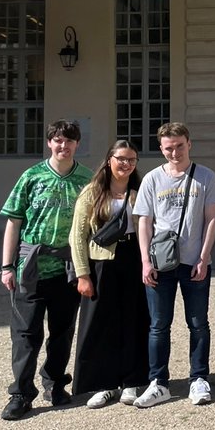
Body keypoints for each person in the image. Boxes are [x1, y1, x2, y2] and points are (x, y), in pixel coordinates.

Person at [0, 120, 93, 420]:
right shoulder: (32, 176)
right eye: (57, 140)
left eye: (68, 141)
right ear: (49, 143)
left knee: (62, 332)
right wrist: (7, 266)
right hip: (32, 267)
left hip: (67, 268)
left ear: (77, 144)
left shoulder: (86, 180)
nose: (62, 146)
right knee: (26, 334)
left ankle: (55, 384)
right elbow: (13, 221)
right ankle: (21, 394)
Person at [132, 122, 215, 408]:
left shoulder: (205, 177)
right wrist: (145, 261)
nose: (174, 152)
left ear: (189, 143)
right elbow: (144, 222)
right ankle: (158, 382)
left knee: (198, 323)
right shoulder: (151, 179)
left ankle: (198, 378)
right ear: (161, 148)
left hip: (194, 261)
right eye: (169, 148)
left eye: (179, 146)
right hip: (161, 263)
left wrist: (204, 257)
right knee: (158, 325)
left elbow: (211, 220)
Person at [68, 140, 148, 409]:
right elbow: (78, 237)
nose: (126, 164)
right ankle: (104, 384)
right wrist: (82, 274)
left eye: (131, 160)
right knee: (100, 324)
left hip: (133, 259)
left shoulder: (139, 191)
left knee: (133, 321)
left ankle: (131, 381)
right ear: (109, 159)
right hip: (101, 263)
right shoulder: (92, 193)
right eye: (121, 158)